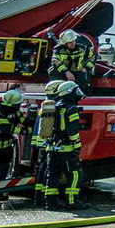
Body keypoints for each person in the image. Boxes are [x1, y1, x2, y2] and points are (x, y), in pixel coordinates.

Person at [39, 79, 83, 210]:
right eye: (75, 90)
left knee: (52, 175)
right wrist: (77, 145)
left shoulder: (55, 106)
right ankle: (72, 202)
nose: (78, 93)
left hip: (51, 148)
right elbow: (72, 130)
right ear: (69, 92)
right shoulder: (71, 109)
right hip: (66, 149)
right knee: (75, 174)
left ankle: (50, 203)